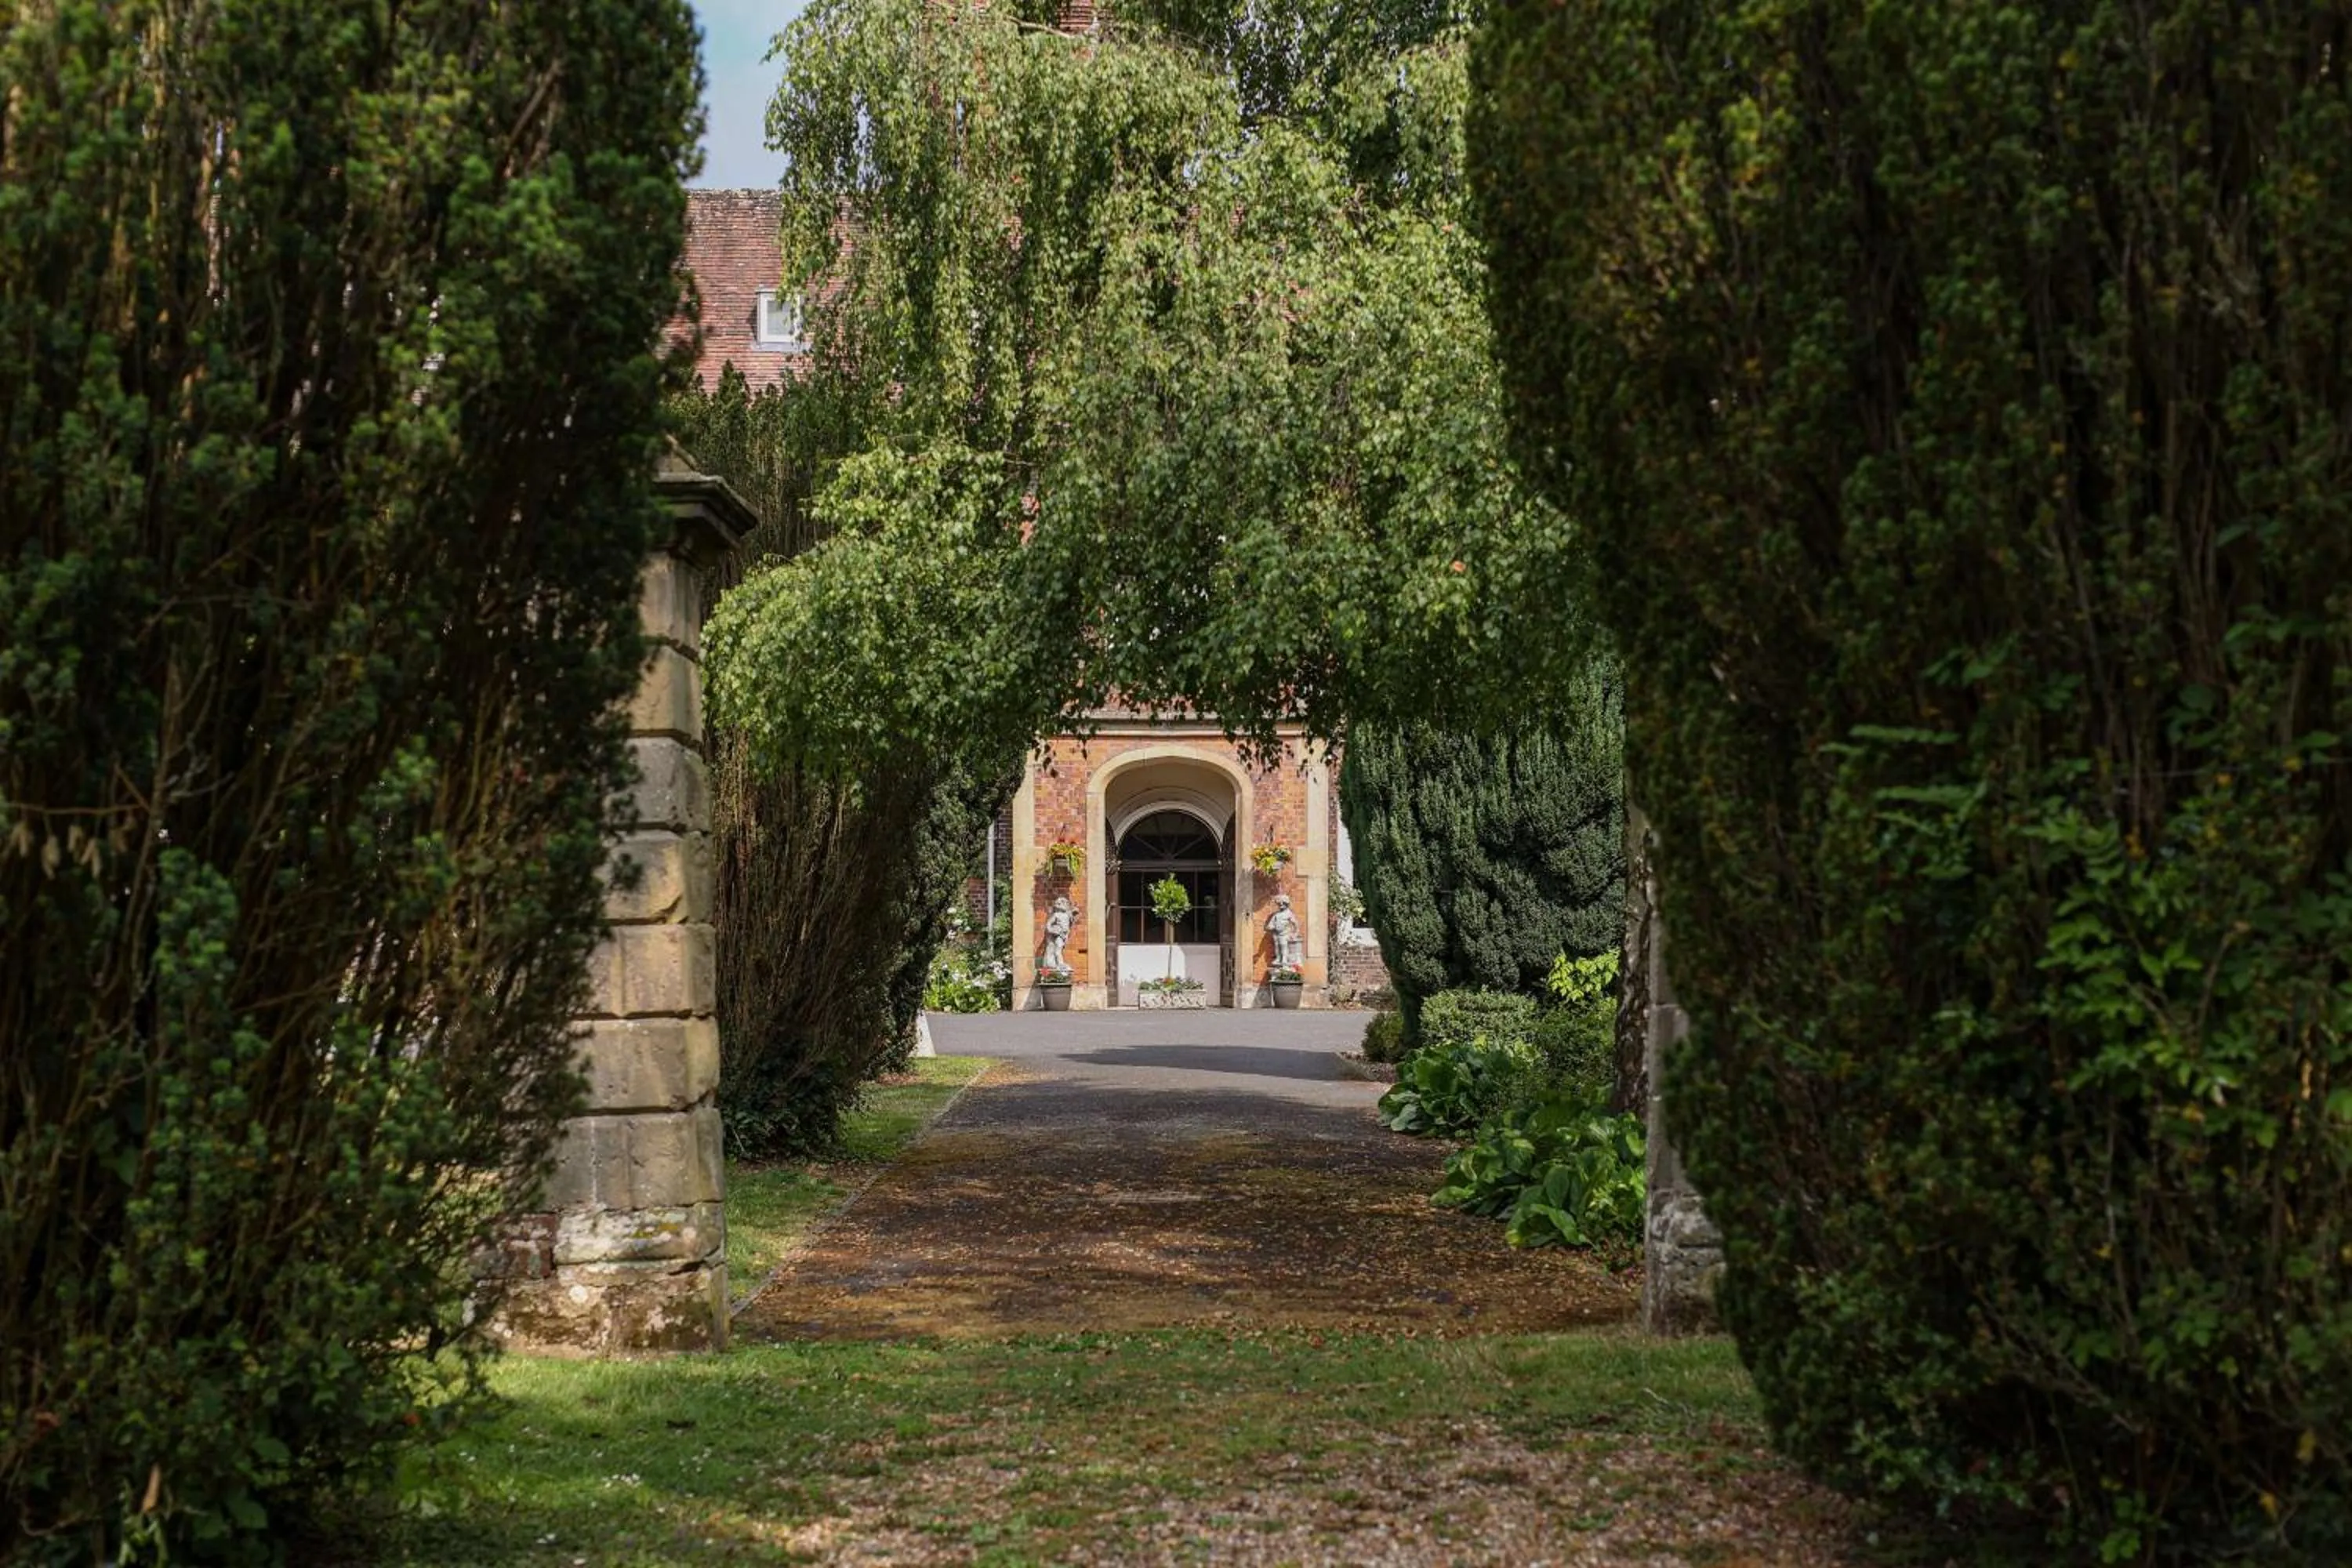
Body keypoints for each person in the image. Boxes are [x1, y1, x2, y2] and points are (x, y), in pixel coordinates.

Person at [1265, 893, 1302, 971]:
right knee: (1277, 947)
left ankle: (1284, 961)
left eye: (1283, 903)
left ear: (1286, 904)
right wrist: (1271, 927)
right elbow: (1269, 925)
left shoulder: (1289, 914)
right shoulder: (1277, 915)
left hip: (1285, 934)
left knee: (1283, 947)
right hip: (1276, 934)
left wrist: (1294, 933)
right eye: (1279, 904)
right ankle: (1279, 958)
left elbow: (1295, 924)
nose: (1281, 905)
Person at [1042, 895, 1076, 972]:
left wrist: (1074, 912)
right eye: (1059, 904)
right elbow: (1048, 925)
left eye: (1063, 904)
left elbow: (1072, 916)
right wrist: (1053, 931)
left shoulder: (1067, 915)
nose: (1060, 906)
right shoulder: (1056, 915)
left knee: (1060, 948)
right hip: (1059, 934)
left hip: (1065, 935)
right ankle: (1060, 964)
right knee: (1058, 949)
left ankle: (1058, 964)